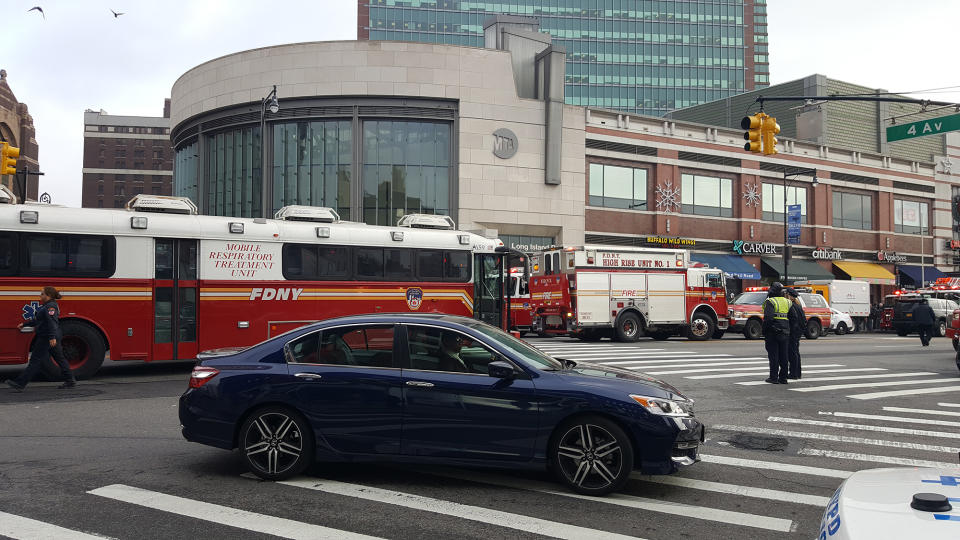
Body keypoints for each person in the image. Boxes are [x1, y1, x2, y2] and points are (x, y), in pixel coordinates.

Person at [6, 286, 76, 391]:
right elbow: (39, 320)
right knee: (59, 359)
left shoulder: (50, 307)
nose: (40, 295)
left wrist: (51, 337)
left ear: (48, 296)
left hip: (47, 337)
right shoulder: (48, 306)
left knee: (35, 360)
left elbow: (51, 323)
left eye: (42, 294)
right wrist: (25, 324)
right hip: (51, 336)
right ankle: (70, 380)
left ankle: (20, 383)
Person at [762, 282, 791, 384]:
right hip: (785, 332)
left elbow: (768, 318)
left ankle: (773, 377)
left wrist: (764, 331)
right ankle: (783, 378)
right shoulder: (788, 302)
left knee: (774, 356)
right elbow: (793, 317)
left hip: (773, 332)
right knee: (784, 356)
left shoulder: (770, 301)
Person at [784, 288, 805, 379]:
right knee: (796, 352)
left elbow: (794, 320)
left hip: (793, 332)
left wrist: (791, 331)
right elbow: (803, 321)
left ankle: (793, 373)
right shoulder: (798, 306)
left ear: (789, 296)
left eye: (786, 294)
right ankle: (797, 373)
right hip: (797, 332)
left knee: (792, 353)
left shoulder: (791, 306)